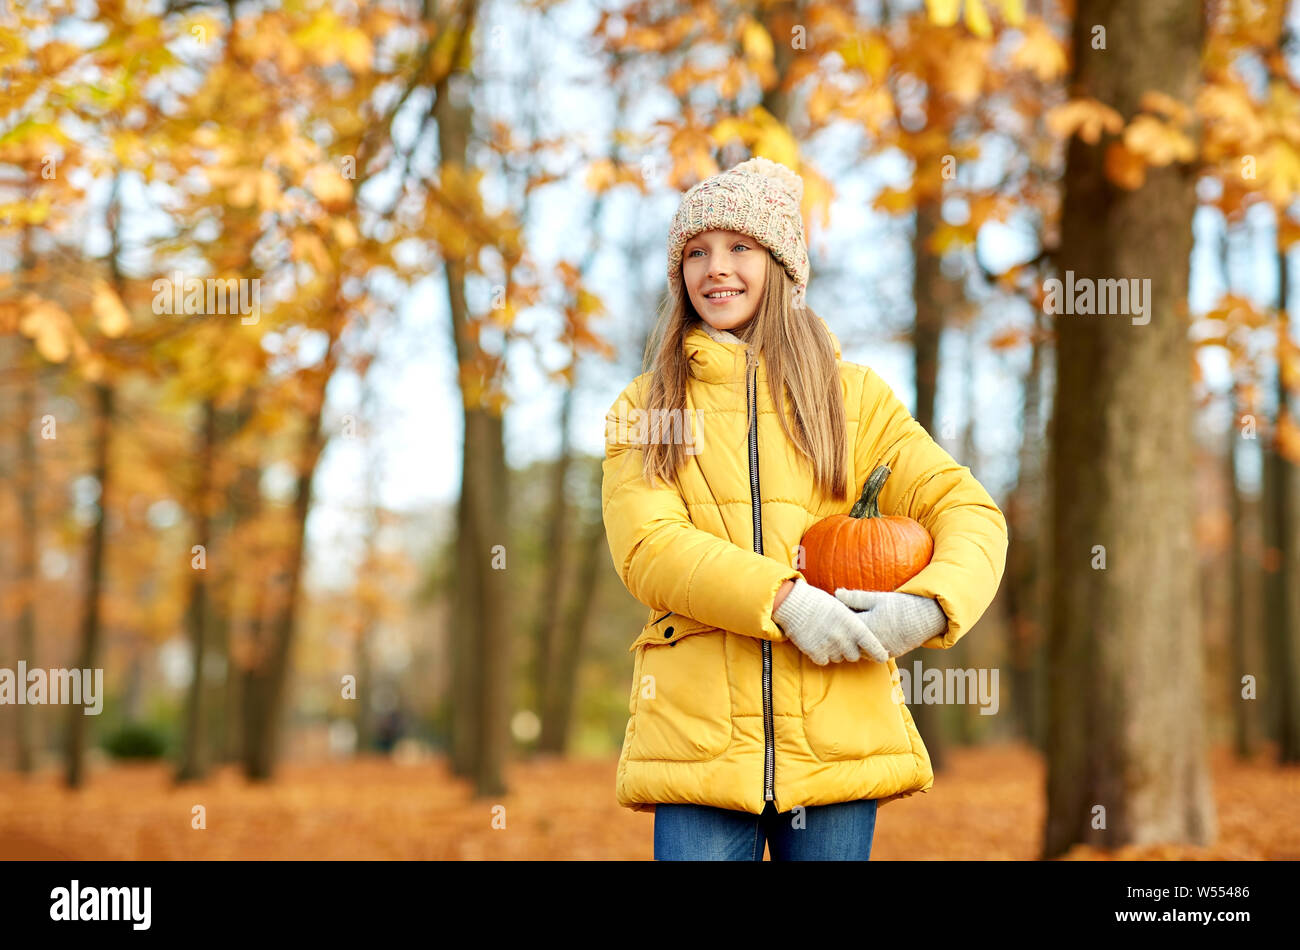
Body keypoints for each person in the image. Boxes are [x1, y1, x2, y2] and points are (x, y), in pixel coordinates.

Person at [601, 156, 1009, 860]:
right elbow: (649, 547)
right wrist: (787, 600)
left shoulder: (853, 399)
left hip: (836, 737)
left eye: (740, 249)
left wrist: (927, 607)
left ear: (781, 265)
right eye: (696, 252)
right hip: (699, 748)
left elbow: (968, 510)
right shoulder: (648, 406)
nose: (715, 268)